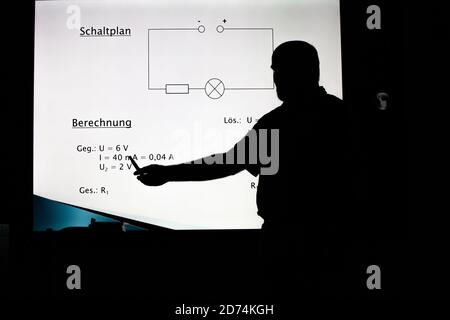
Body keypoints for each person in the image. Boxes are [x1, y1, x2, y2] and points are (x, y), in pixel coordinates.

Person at [135, 41, 353, 296]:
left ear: (304, 72)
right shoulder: (341, 115)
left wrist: (167, 173)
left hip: (287, 243)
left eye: (280, 70)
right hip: (332, 240)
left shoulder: (278, 123)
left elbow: (227, 163)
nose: (276, 79)